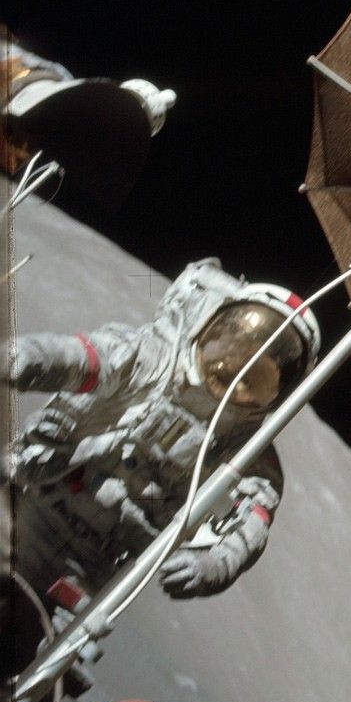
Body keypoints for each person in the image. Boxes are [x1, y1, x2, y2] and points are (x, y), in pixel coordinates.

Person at [4, 258, 319, 612]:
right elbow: (82, 359)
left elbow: (249, 529)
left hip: (87, 567)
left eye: (257, 376)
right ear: (214, 327)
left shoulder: (248, 456)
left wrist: (214, 566)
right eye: (235, 348)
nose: (235, 372)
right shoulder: (153, 360)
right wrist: (25, 357)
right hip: (26, 502)